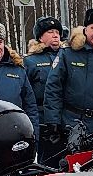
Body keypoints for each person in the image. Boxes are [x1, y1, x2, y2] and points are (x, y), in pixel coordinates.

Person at [43, 7, 93, 155]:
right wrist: (52, 122)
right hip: (71, 123)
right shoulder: (68, 54)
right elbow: (53, 88)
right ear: (85, 30)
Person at [25, 17, 65, 158]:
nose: (55, 35)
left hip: (66, 117)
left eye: (57, 32)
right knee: (47, 159)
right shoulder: (30, 61)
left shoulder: (66, 57)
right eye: (50, 32)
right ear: (40, 37)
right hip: (42, 119)